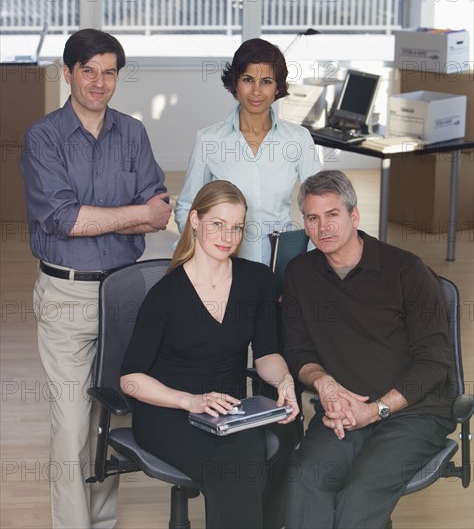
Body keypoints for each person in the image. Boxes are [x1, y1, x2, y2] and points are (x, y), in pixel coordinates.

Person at [20, 29, 172, 528]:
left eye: (109, 72)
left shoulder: (132, 132)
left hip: (124, 295)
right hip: (67, 294)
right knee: (70, 426)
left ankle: (101, 522)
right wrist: (133, 213)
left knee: (110, 418)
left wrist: (110, 215)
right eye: (89, 70)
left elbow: (160, 213)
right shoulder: (44, 137)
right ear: (68, 73)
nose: (99, 82)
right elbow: (64, 220)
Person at [120, 180, 300, 529]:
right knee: (236, 464)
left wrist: (286, 380)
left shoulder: (257, 281)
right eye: (217, 224)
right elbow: (130, 379)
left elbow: (267, 354)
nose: (227, 236)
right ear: (195, 221)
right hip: (169, 412)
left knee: (278, 438)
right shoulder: (166, 294)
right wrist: (190, 401)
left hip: (229, 410)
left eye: (236, 227)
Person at [282, 170, 456, 529]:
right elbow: (298, 352)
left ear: (354, 216)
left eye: (333, 215)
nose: (323, 227)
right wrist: (325, 385)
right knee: (304, 481)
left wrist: (376, 409)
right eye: (313, 219)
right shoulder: (301, 272)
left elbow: (435, 361)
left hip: (414, 414)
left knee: (359, 498)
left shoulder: (406, 270)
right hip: (344, 412)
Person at [175, 38, 321, 264]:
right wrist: (205, 254)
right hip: (224, 261)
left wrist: (309, 261)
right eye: (247, 79)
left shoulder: (299, 140)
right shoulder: (208, 140)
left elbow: (321, 204)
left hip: (278, 262)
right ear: (235, 83)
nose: (256, 91)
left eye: (266, 81)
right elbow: (187, 207)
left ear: (278, 87)